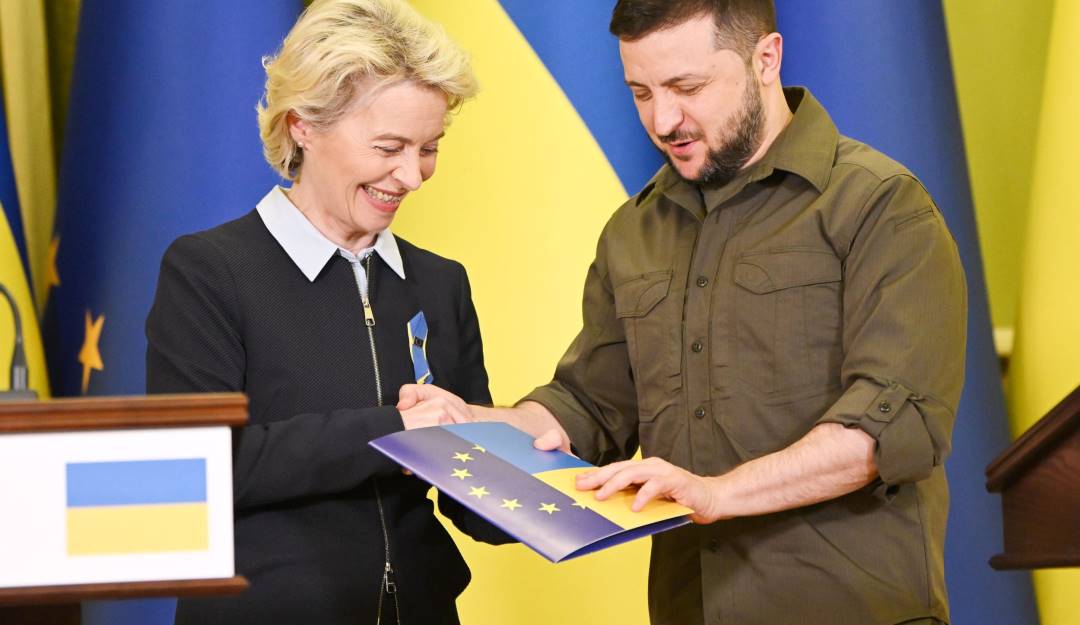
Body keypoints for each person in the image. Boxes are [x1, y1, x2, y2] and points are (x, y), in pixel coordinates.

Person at [399, 1, 966, 624]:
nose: (663, 119)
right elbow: (588, 409)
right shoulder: (633, 230)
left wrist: (717, 493)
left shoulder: (881, 206)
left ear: (766, 59)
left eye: (686, 87)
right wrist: (475, 427)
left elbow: (887, 432)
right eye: (640, 92)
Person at [145, 1, 508, 623]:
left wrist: (548, 468)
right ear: (303, 126)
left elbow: (474, 499)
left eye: (429, 147)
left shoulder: (440, 282)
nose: (412, 176)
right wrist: (391, 431)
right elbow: (201, 472)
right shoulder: (208, 271)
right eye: (389, 146)